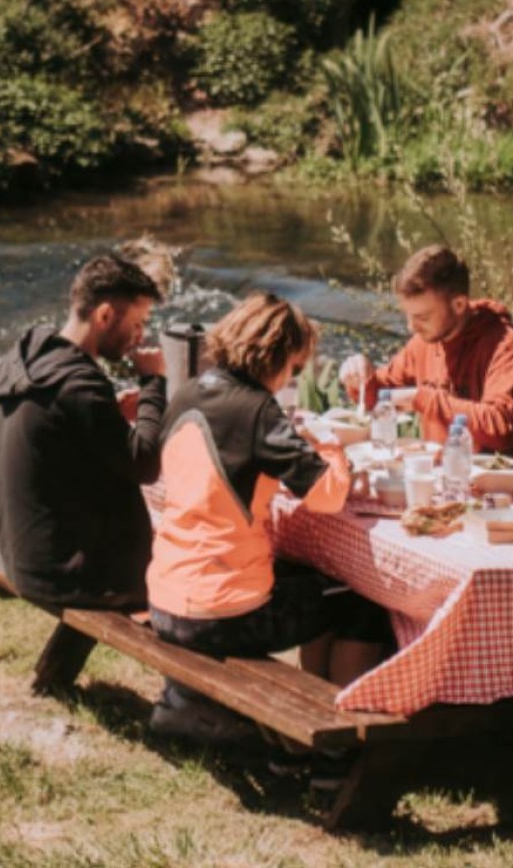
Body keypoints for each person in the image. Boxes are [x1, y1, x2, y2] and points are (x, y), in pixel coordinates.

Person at [145, 293, 391, 747]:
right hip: (220, 615)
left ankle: (303, 727)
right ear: (276, 357)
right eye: (293, 367)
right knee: (362, 601)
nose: (290, 378)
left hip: (166, 596)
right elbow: (328, 496)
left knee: (307, 579)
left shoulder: (188, 393)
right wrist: (332, 447)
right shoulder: (257, 410)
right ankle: (333, 746)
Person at [0, 253, 166, 611]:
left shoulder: (30, 357)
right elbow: (146, 464)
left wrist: (111, 411)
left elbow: (66, 426)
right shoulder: (78, 384)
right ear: (105, 315)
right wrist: (152, 383)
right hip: (74, 577)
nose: (140, 336)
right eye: (137, 323)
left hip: (27, 560)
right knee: (199, 580)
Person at [339, 244, 513, 462]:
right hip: (438, 477)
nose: (411, 327)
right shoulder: (423, 343)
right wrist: (359, 378)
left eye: (422, 317)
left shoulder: (504, 345)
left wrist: (423, 399)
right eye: (407, 315)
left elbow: (501, 427)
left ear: (459, 304)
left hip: (494, 482)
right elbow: (378, 398)